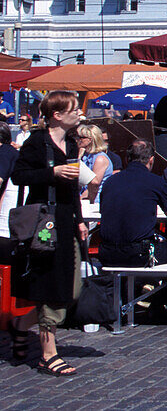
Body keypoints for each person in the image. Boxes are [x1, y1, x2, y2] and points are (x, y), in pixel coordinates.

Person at [9, 90, 84, 376]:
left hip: (66, 219)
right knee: (49, 286)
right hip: (44, 220)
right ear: (57, 114)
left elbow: (73, 185)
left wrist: (79, 219)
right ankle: (48, 354)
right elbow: (20, 176)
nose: (79, 113)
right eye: (74, 108)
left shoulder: (73, 142)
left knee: (71, 288)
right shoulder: (37, 141)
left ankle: (19, 325)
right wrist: (51, 173)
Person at [98, 139, 167, 267]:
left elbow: (104, 211)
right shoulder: (156, 182)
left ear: (127, 159)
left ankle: (142, 284)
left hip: (107, 254)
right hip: (138, 255)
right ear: (151, 159)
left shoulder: (110, 182)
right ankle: (162, 286)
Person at [75, 123, 113, 203]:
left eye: (81, 137)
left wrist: (80, 200)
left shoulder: (100, 159)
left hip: (95, 202)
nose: (78, 140)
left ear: (90, 140)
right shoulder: (85, 156)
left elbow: (94, 184)